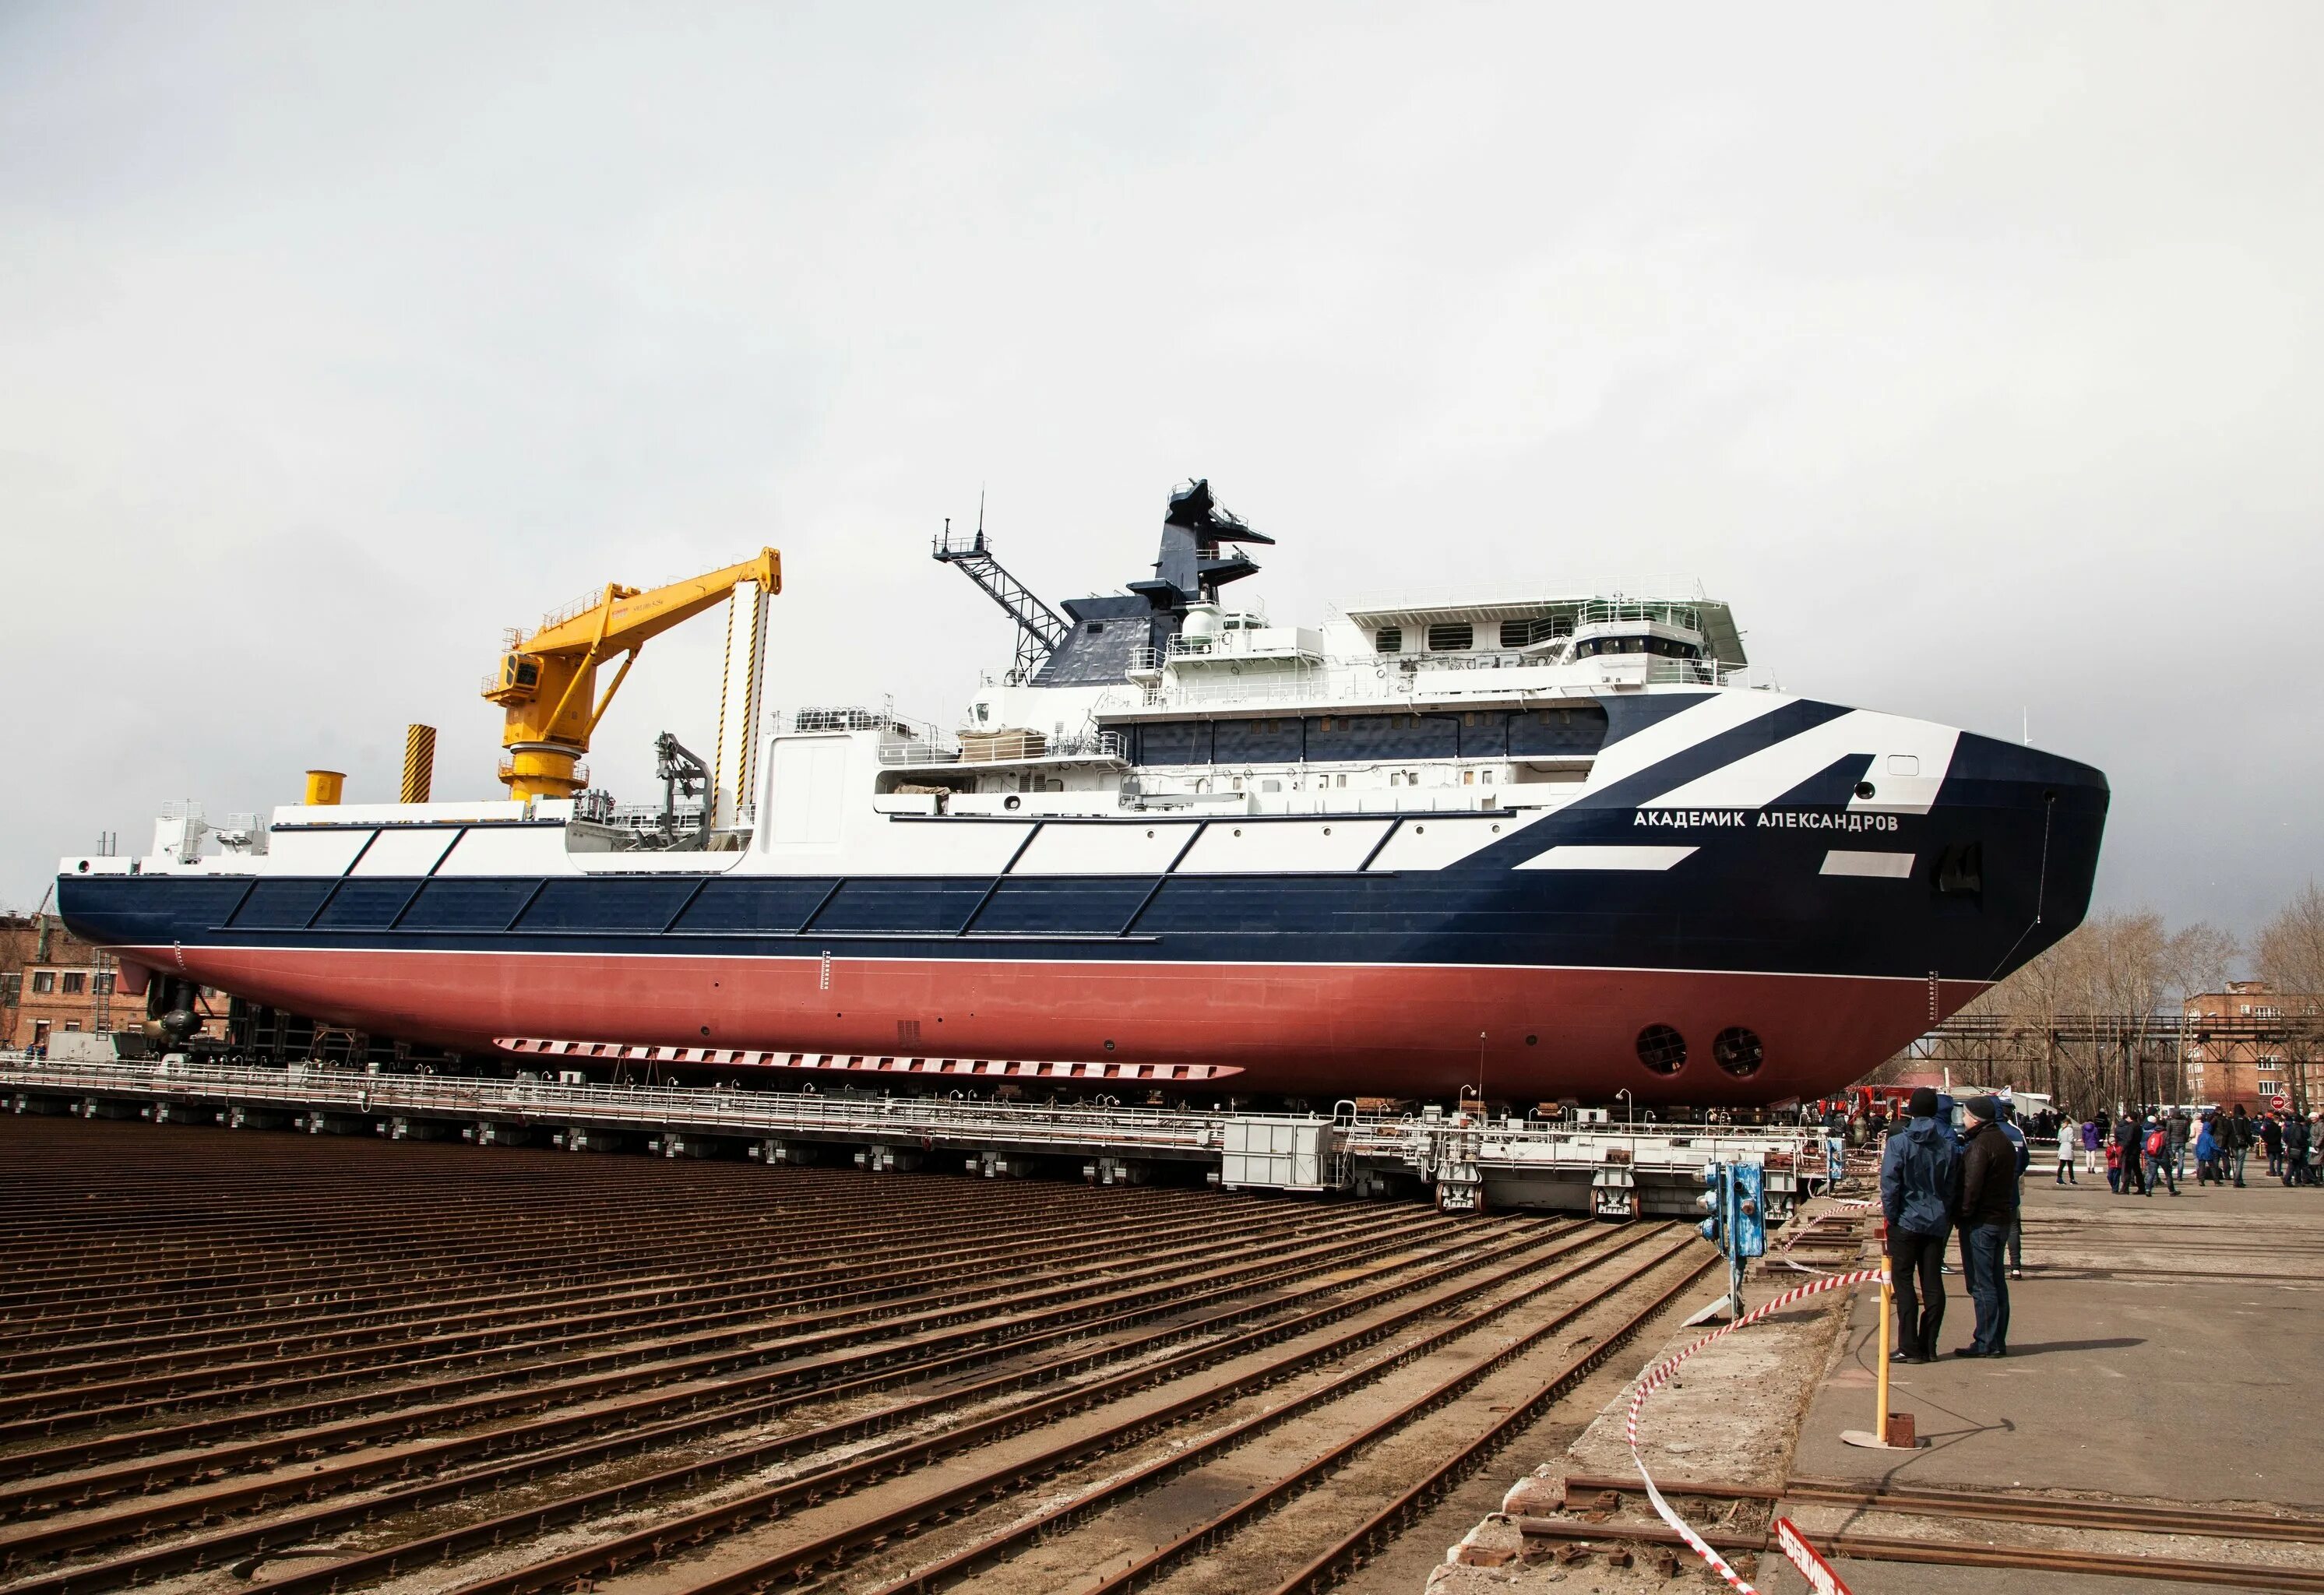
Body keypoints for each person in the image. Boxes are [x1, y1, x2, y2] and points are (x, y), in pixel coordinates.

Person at [1880, 1086, 1958, 1364]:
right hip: (1935, 1222)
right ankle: (1930, 1345)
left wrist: (1893, 1218)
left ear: (1910, 1110)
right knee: (1933, 1284)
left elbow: (1890, 1184)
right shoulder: (1948, 1146)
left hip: (1905, 1222)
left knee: (1903, 1284)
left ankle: (1908, 1347)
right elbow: (1950, 1187)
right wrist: (1942, 1212)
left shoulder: (1899, 1143)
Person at [1954, 1096, 2017, 1357]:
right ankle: (1997, 1339)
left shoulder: (1979, 1146)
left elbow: (1971, 1186)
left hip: (1981, 1222)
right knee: (1996, 1281)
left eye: (1966, 1115)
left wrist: (1963, 1215)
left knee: (1981, 1284)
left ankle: (1985, 1341)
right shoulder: (2003, 1141)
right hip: (2001, 1218)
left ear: (1975, 1118)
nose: (1963, 1119)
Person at [2114, 1110, 2146, 1196]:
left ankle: (2125, 1189)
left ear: (2130, 1118)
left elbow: (2129, 1138)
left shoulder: (2132, 1126)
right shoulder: (2139, 1125)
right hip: (2136, 1149)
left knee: (2127, 1169)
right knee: (2137, 1170)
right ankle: (2142, 1188)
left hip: (2130, 1150)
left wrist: (2124, 1148)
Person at [2284, 1112, 2311, 1188]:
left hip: (2291, 1147)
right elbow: (2299, 1137)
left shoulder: (2290, 1127)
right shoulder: (2299, 1127)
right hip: (2298, 1148)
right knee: (2302, 1165)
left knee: (2293, 1165)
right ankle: (2314, 1180)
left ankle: (2288, 1180)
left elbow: (2286, 1137)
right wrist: (2303, 1144)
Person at [2195, 1112, 2220, 1186]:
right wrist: (2220, 1150)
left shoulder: (2200, 1136)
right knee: (2212, 1167)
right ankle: (2216, 1180)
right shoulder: (2209, 1136)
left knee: (2201, 1167)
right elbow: (2213, 1145)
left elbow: (2198, 1144)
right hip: (2208, 1153)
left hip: (2200, 1153)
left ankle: (2201, 1180)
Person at [2264, 1112, 2285, 1177]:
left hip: (2270, 1145)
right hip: (2277, 1145)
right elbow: (2279, 1137)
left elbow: (2265, 1135)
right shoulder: (2278, 1128)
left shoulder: (2268, 1127)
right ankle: (2278, 1172)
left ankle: (2272, 1171)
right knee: (2279, 1160)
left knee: (2271, 1160)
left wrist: (2267, 1141)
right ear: (2277, 1120)